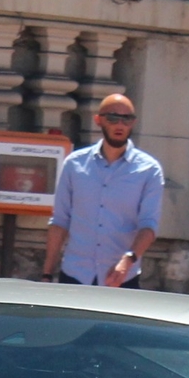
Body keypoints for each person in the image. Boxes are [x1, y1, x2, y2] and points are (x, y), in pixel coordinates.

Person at [41, 93, 164, 286]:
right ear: (98, 120)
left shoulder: (149, 170)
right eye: (113, 117)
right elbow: (60, 221)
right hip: (75, 274)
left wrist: (127, 261)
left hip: (122, 277)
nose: (120, 125)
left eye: (127, 119)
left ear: (133, 123)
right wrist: (47, 274)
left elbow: (149, 226)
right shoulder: (74, 164)